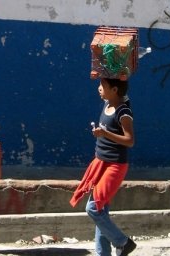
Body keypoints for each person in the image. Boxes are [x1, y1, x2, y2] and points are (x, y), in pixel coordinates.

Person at [70, 78, 136, 256]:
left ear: (114, 90)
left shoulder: (123, 111)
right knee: (101, 209)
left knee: (92, 208)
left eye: (103, 86)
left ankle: (123, 242)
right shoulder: (108, 103)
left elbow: (130, 140)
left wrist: (105, 133)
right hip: (100, 162)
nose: (99, 89)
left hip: (115, 165)